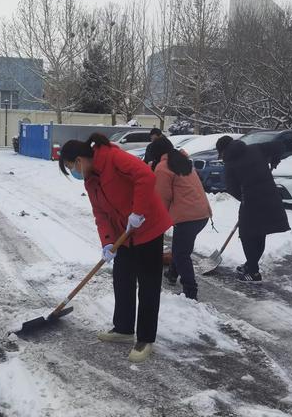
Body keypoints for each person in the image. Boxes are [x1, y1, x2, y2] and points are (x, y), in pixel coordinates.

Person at [59, 133, 172, 363]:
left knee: (148, 284)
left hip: (148, 226)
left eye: (72, 166)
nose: (74, 172)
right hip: (125, 234)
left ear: (80, 160)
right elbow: (100, 214)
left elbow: (145, 176)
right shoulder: (91, 182)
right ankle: (123, 328)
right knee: (122, 279)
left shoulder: (112, 157)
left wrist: (138, 211)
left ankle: (145, 338)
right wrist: (108, 241)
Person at [216, 135, 290, 282]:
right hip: (270, 196)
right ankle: (250, 266)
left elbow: (232, 189)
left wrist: (243, 197)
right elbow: (281, 146)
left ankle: (253, 272)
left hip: (251, 202)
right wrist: (275, 158)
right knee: (259, 232)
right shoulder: (256, 148)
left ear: (224, 150)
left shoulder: (230, 164)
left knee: (247, 235)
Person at [150, 136, 211, 300]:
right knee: (180, 247)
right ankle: (171, 274)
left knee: (181, 253)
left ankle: (190, 291)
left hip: (188, 216)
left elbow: (162, 199)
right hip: (201, 213)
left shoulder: (163, 167)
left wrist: (155, 222)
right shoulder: (182, 161)